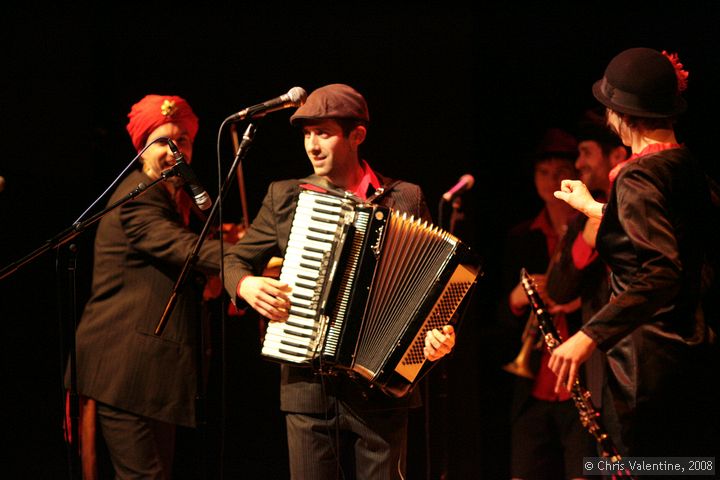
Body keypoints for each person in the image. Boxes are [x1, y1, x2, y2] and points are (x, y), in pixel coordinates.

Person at [222, 83, 456, 479]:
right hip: (306, 387)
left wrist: (438, 335)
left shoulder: (405, 198)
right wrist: (246, 285)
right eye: (307, 134)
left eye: (324, 132)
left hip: (380, 392)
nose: (312, 145)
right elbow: (234, 258)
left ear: (357, 136)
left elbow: (431, 288)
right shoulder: (286, 197)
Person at [550, 47, 718, 458]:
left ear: (620, 115)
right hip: (692, 359)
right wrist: (595, 208)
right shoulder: (685, 166)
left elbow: (661, 270)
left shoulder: (636, 176)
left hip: (646, 369)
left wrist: (590, 335)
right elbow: (670, 229)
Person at [70, 94, 236, 479]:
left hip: (149, 377)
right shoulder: (137, 195)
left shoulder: (174, 198)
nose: (175, 151)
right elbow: (183, 249)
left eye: (184, 141)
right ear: (142, 148)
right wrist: (245, 257)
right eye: (163, 142)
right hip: (124, 371)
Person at [498, 128, 596, 480]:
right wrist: (515, 298)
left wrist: (575, 303)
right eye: (543, 172)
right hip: (534, 385)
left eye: (560, 172)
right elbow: (498, 321)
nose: (551, 180)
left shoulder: (591, 226)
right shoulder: (521, 237)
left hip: (583, 385)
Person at [544, 113, 628, 452]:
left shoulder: (638, 204)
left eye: (586, 153)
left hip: (643, 360)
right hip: (601, 368)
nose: (578, 164)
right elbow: (559, 288)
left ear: (617, 156)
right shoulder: (581, 218)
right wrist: (587, 242)